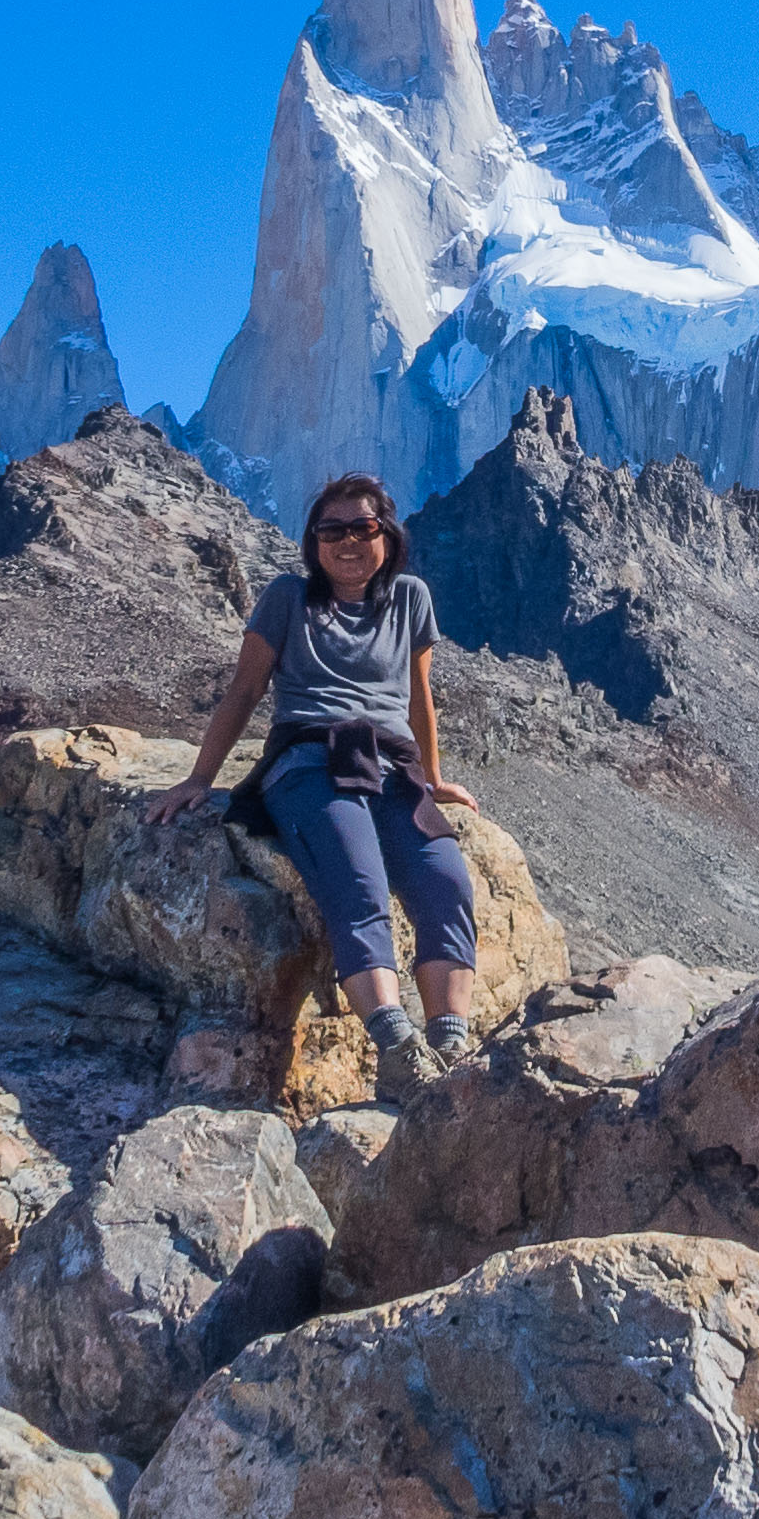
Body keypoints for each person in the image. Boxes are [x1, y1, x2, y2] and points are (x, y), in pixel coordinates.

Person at [142, 471, 479, 1102]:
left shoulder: (410, 598)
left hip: (391, 766)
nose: (347, 541)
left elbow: (419, 695)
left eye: (363, 528)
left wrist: (433, 781)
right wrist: (198, 780)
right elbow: (244, 691)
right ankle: (398, 1047)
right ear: (313, 541)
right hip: (310, 761)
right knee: (358, 881)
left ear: (387, 536)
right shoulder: (287, 597)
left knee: (446, 882)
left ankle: (449, 1046)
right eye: (332, 530)